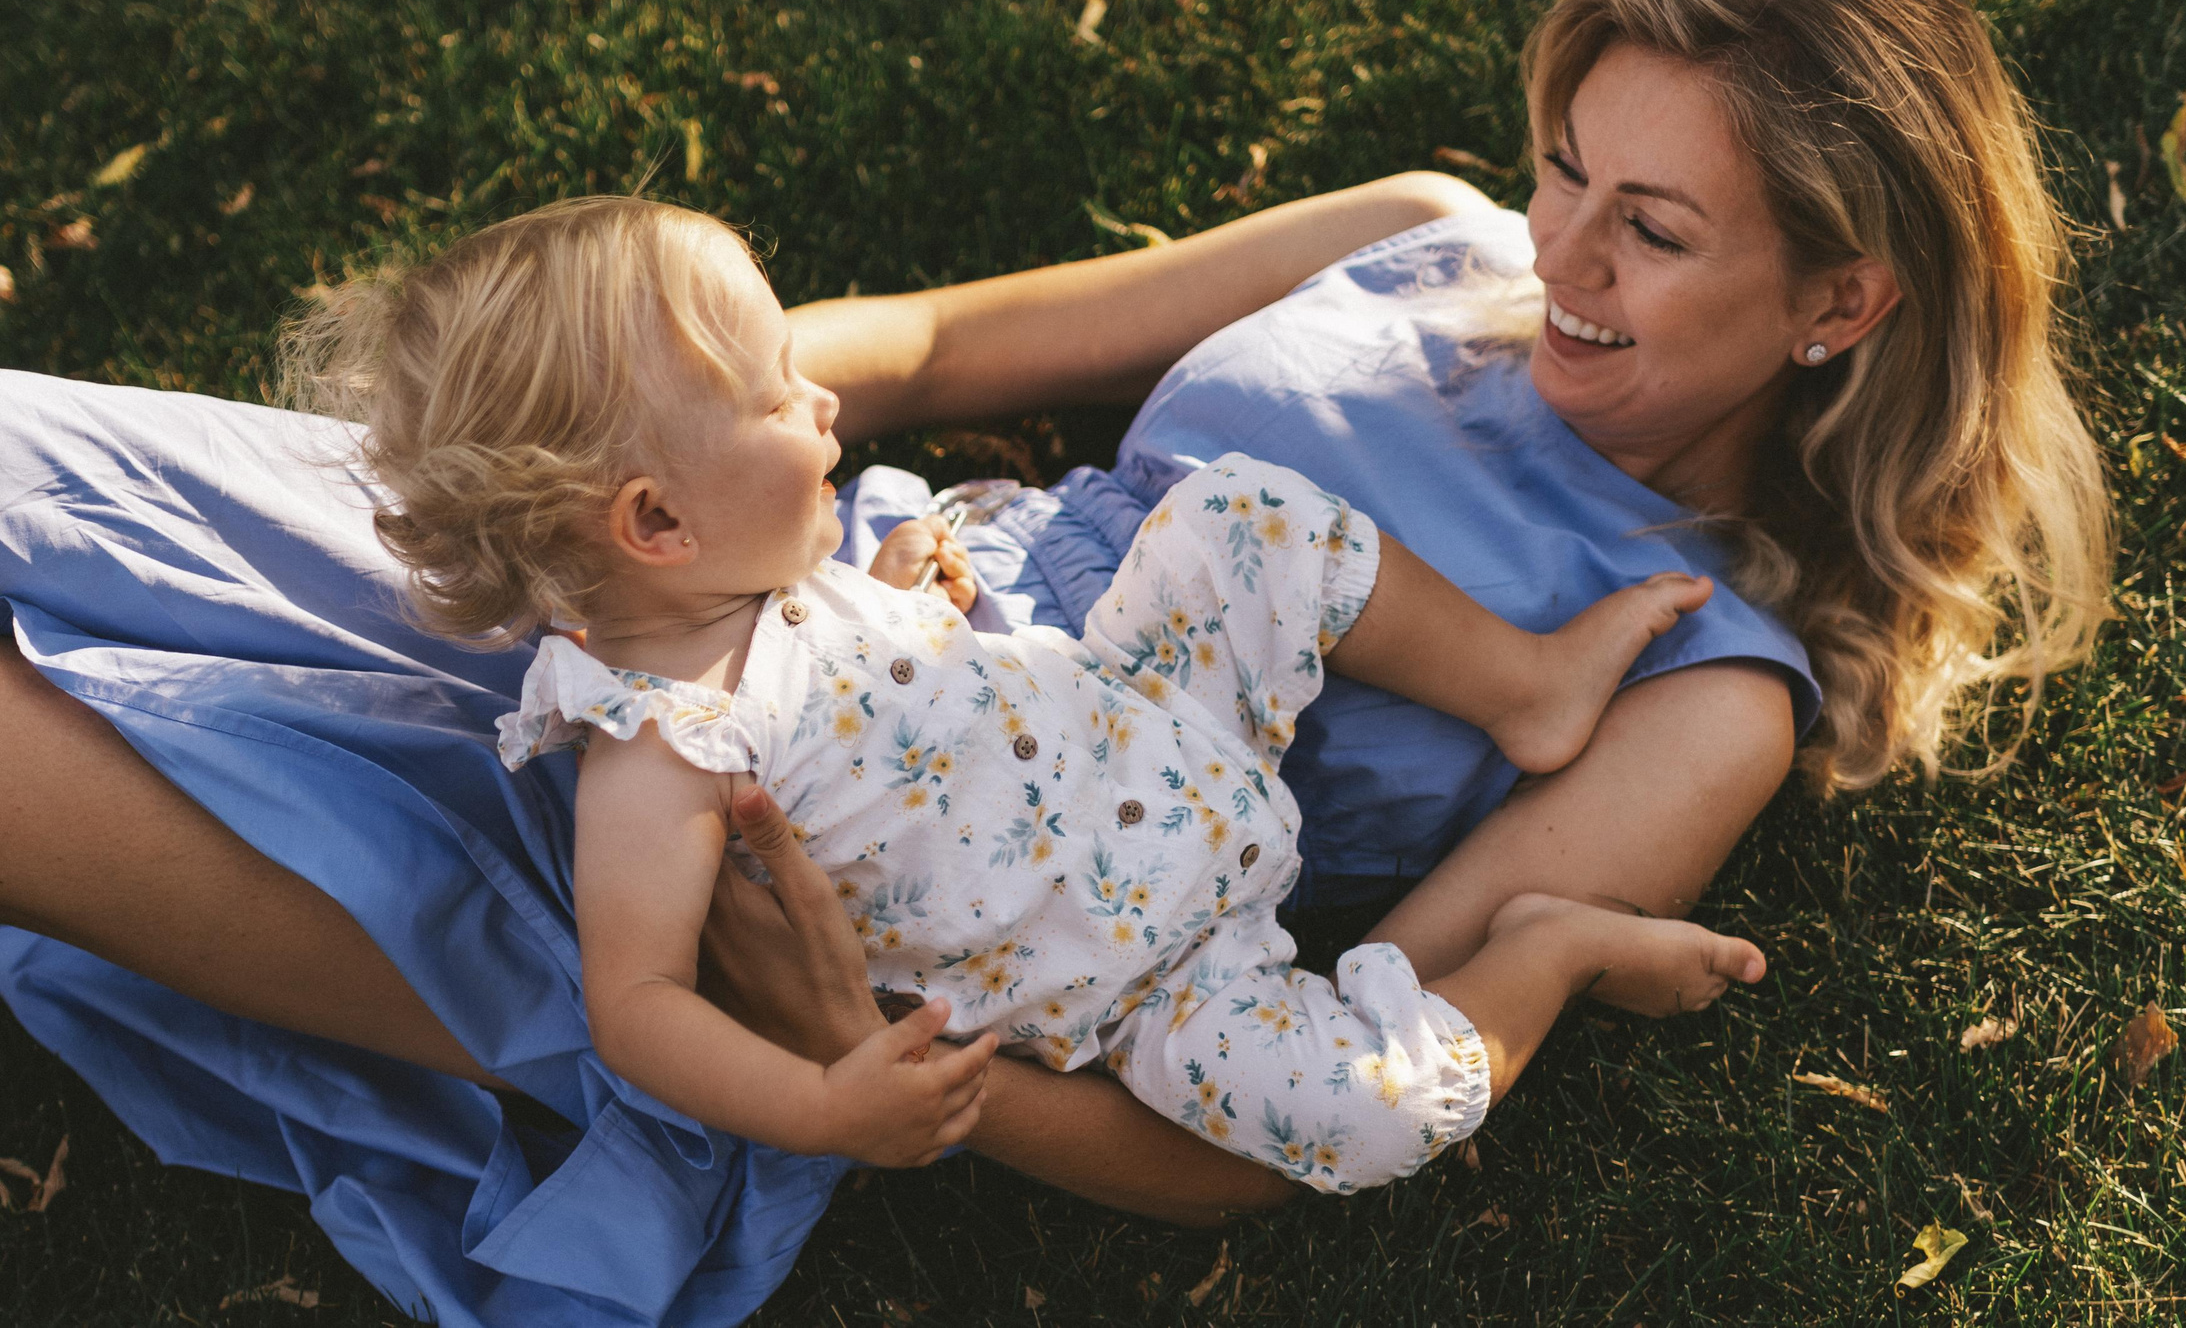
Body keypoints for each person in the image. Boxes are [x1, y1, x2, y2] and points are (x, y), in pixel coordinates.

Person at [0, 0, 2113, 1327]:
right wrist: (590, 443)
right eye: (1566, 165)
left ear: (1840, 303)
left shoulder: (1698, 682)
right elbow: (932, 339)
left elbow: (1251, 1128)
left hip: (841, 898)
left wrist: (848, 1045)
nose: (1555, 249)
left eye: (1650, 230)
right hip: (744, 570)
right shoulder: (1416, 238)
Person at [287, 193, 1749, 1193]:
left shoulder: (765, 581)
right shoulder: (663, 756)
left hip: (1156, 705)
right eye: (777, 393)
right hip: (1151, 981)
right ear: (656, 525)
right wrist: (824, 1098)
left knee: (1243, 518)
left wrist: (925, 590)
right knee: (1354, 1119)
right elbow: (640, 1002)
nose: (824, 406)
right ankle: (1546, 955)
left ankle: (1529, 687)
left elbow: (907, 702)